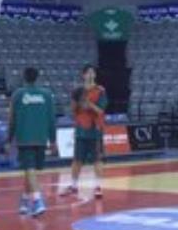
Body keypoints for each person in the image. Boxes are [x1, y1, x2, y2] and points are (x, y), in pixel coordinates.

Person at [9, 67, 57, 216]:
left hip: (24, 138)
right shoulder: (47, 95)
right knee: (31, 171)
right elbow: (51, 119)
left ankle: (37, 201)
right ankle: (24, 201)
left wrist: (9, 138)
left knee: (29, 171)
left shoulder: (17, 94)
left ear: (24, 77)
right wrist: (53, 140)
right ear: (37, 78)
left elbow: (12, 119)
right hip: (41, 138)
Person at [61, 64, 107, 199]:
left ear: (95, 75)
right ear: (83, 75)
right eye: (88, 73)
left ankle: (98, 187)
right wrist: (76, 102)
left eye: (93, 72)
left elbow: (100, 111)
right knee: (77, 160)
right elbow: (73, 110)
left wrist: (89, 104)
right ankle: (74, 186)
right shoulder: (77, 91)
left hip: (95, 130)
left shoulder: (100, 91)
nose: (91, 75)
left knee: (97, 160)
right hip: (81, 129)